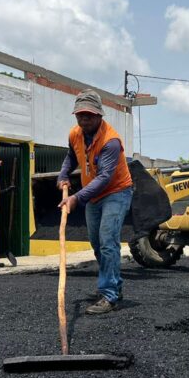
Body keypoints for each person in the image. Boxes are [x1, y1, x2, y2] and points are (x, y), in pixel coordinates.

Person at [57, 89, 133, 315]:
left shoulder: (111, 141)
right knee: (97, 243)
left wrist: (75, 198)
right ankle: (114, 285)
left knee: (108, 240)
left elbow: (104, 178)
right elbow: (71, 157)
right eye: (80, 115)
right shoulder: (75, 134)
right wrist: (63, 175)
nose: (84, 119)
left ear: (100, 115)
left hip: (116, 192)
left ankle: (108, 295)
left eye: (89, 115)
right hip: (94, 195)